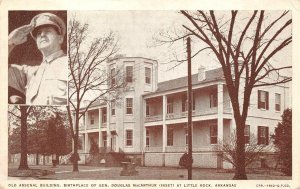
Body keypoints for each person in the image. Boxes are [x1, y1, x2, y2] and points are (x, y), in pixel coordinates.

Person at [8, 12, 68, 105]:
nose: (42, 35)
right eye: (39, 33)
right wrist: (10, 42)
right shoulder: (30, 73)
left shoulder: (70, 64)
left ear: (60, 38)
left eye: (48, 31)